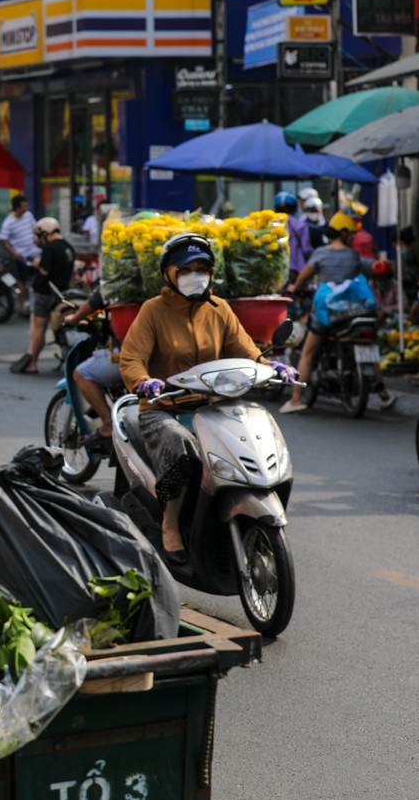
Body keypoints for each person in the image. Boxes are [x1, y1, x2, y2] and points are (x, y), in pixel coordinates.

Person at [121, 234, 296, 558]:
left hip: (213, 406)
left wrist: (271, 366)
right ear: (169, 273)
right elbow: (131, 358)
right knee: (181, 450)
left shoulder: (220, 309)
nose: (196, 275)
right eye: (186, 269)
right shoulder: (153, 311)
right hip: (163, 408)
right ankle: (170, 525)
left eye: (202, 268)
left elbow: (247, 352)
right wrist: (144, 381)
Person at [280, 221, 397, 413]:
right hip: (353, 311)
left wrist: (294, 288)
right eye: (351, 234)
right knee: (367, 346)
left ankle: (296, 399)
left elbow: (303, 276)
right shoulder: (353, 255)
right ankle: (383, 393)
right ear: (343, 233)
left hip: (328, 313)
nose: (353, 237)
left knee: (308, 353)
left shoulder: (321, 253)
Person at [61, 287, 125, 448]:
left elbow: (100, 296)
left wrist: (75, 318)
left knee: (82, 373)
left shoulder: (122, 281)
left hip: (134, 356)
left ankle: (108, 425)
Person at [11, 217, 72, 374]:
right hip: (62, 294)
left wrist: (38, 265)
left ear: (45, 233)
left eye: (39, 236)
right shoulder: (68, 247)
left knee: (39, 328)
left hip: (45, 293)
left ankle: (32, 363)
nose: (38, 240)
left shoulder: (50, 248)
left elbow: (45, 271)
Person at [0, 195, 37, 316]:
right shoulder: (9, 222)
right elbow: (2, 240)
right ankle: (23, 306)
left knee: (36, 278)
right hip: (21, 256)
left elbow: (35, 229)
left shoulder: (28, 216)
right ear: (17, 208)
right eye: (24, 206)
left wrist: (36, 237)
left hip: (33, 253)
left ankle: (34, 303)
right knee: (21, 281)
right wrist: (14, 253)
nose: (26, 208)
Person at [276, 190, 314, 280]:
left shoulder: (270, 225)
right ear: (294, 208)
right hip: (296, 271)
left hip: (276, 268)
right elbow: (306, 249)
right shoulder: (300, 225)